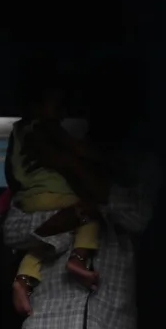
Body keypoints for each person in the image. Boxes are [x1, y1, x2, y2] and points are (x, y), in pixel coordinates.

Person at [5, 89, 159, 329]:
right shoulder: (40, 168)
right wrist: (75, 212)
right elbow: (13, 232)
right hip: (48, 319)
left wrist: (68, 163)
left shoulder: (138, 165)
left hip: (110, 324)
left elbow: (136, 214)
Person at [9, 79, 104, 314]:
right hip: (54, 195)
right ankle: (78, 259)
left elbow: (10, 173)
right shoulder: (46, 128)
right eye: (57, 104)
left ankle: (23, 280)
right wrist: (98, 157)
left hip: (30, 196)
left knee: (48, 239)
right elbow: (75, 148)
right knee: (90, 212)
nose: (62, 112)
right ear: (39, 105)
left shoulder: (17, 132)